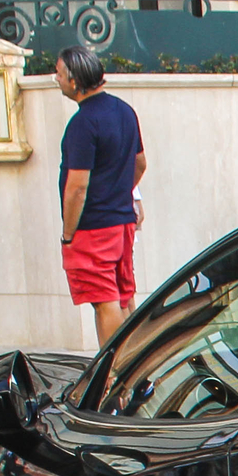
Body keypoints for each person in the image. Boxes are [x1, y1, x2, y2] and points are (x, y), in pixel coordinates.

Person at [54, 44, 144, 348]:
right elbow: (140, 162)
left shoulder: (82, 124)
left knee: (104, 300)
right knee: (123, 296)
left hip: (93, 228)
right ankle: (136, 369)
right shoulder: (125, 111)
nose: (56, 79)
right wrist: (121, 192)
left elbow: (77, 186)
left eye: (59, 74)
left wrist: (68, 233)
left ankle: (114, 378)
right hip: (122, 223)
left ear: (75, 81)